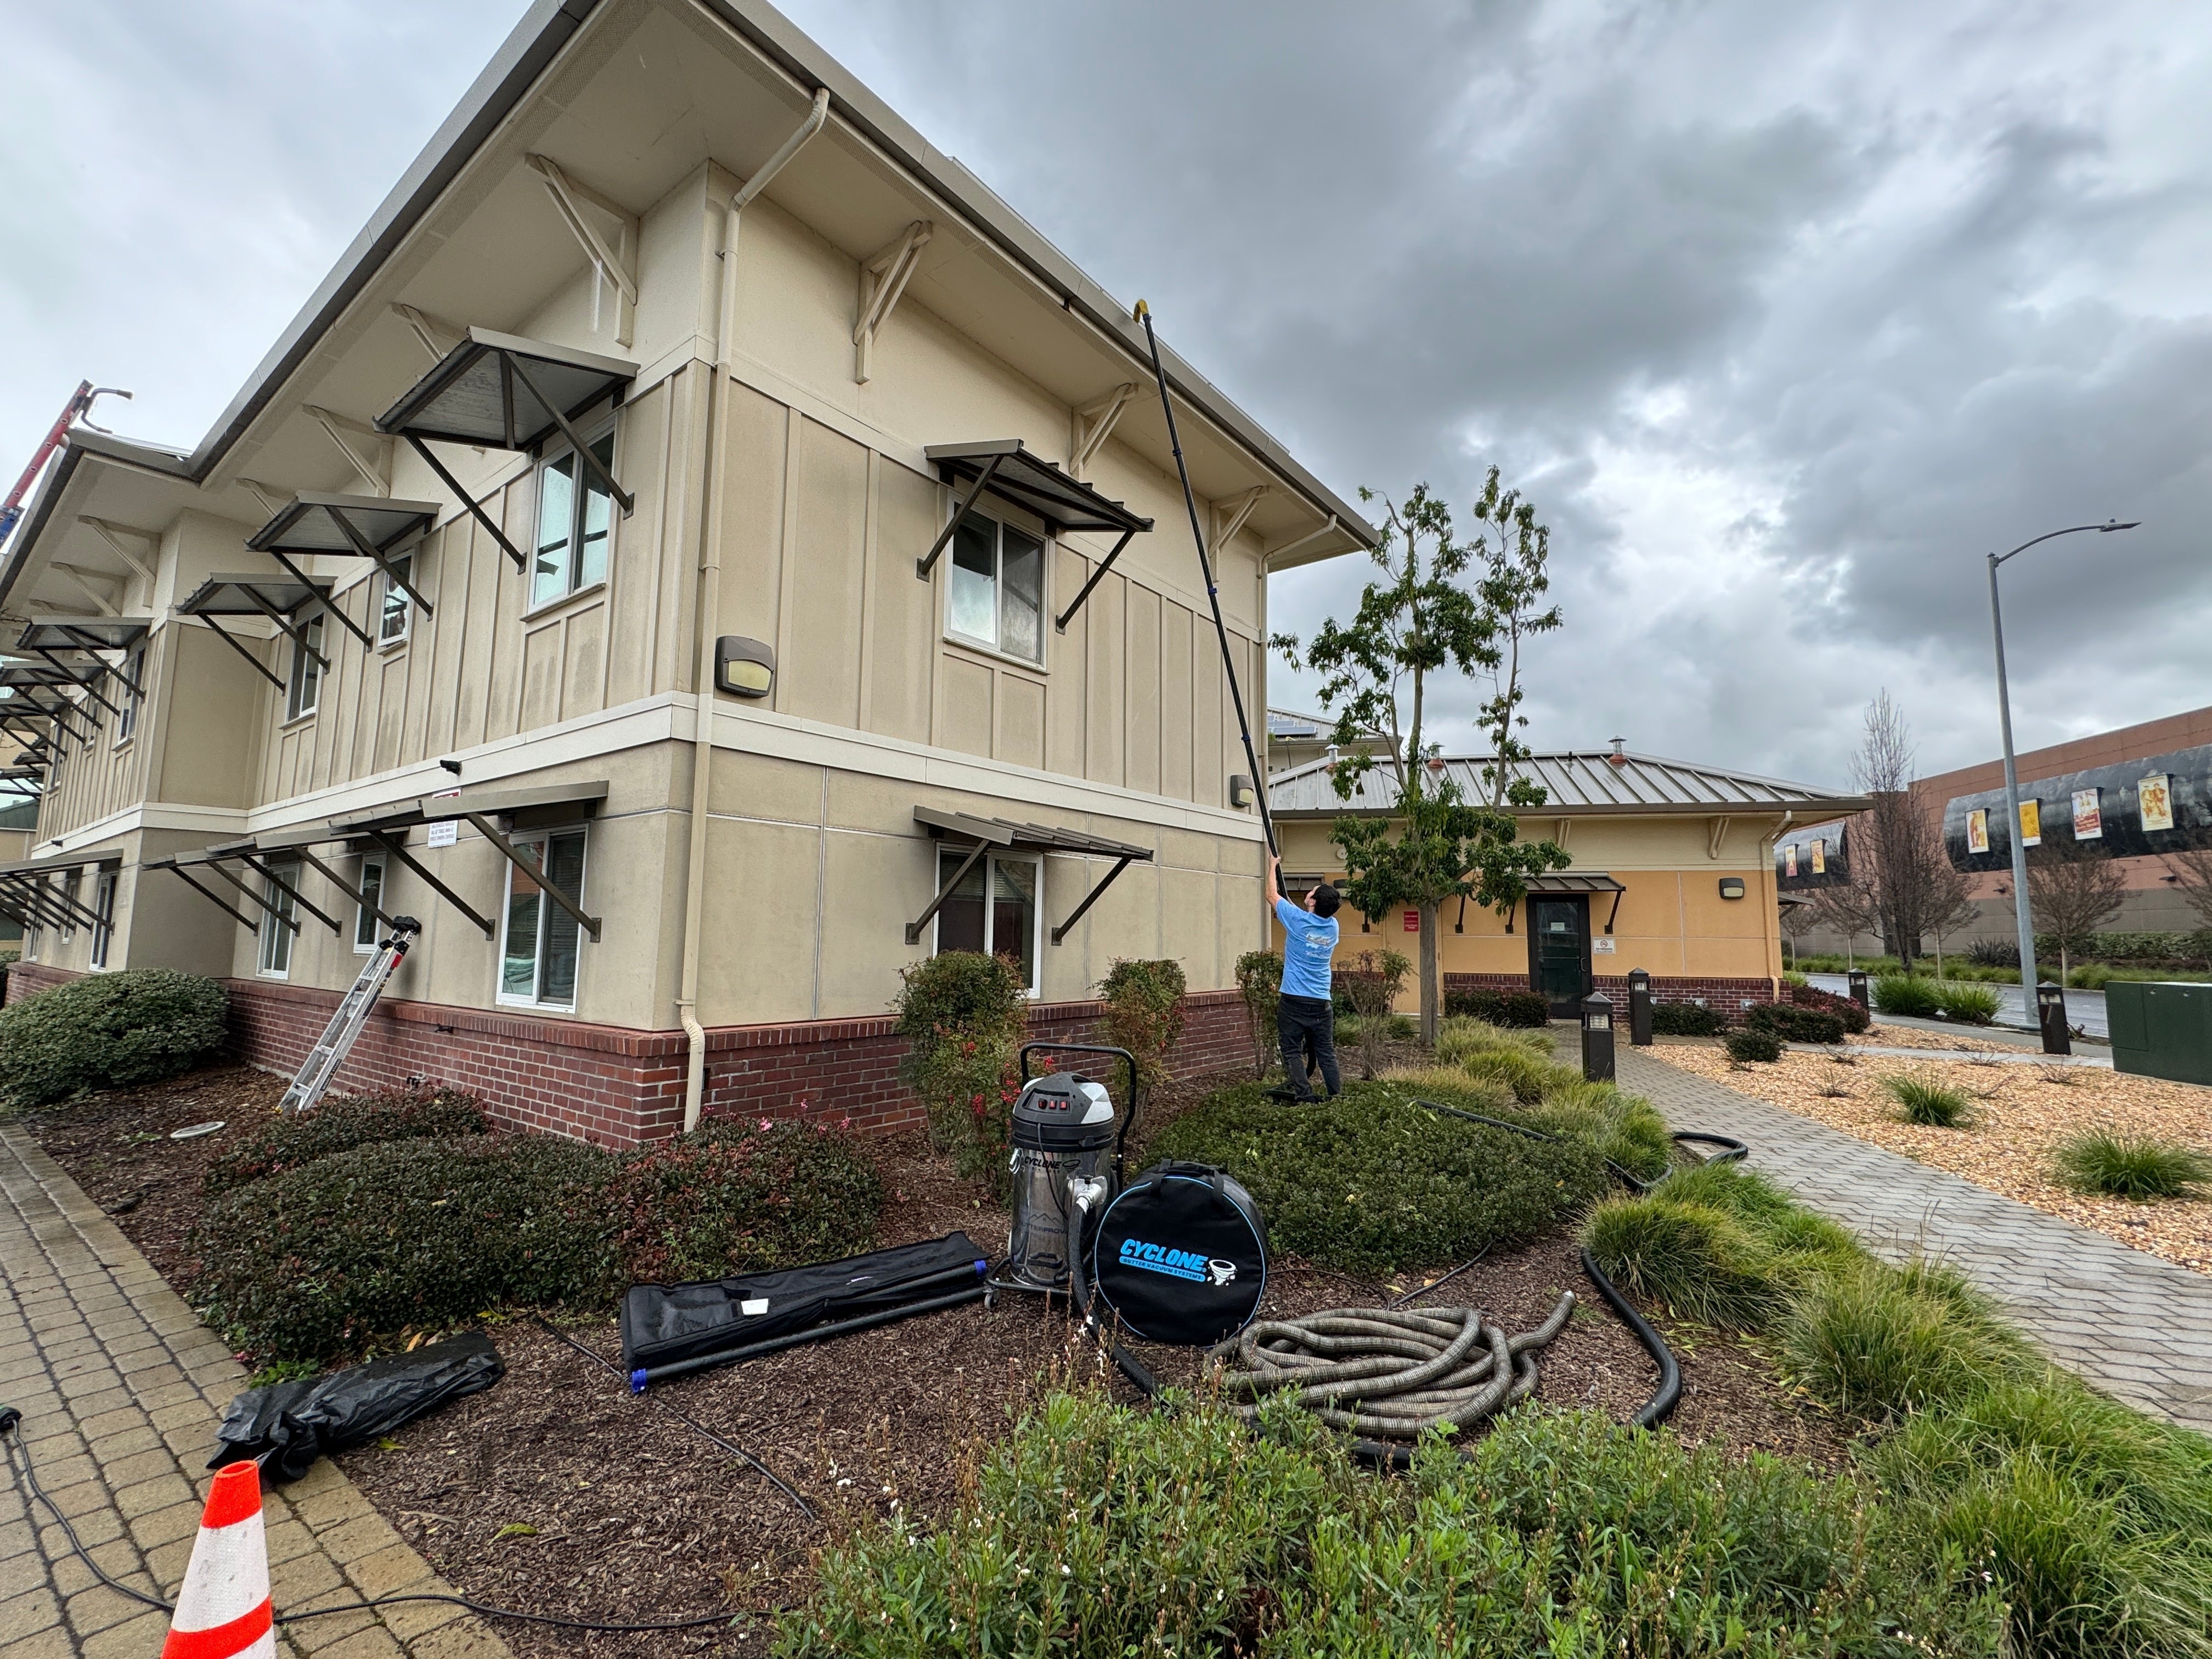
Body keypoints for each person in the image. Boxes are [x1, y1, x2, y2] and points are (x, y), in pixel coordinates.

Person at [1266, 854, 1341, 1101]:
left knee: (1290, 1050)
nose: (1309, 892)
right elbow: (1293, 910)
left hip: (1294, 1000)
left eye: (1312, 891)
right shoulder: (1333, 926)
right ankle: (1336, 1096)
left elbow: (1271, 896)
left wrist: (1272, 866)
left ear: (1312, 902)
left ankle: (1305, 1095)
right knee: (1326, 1052)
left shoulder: (1298, 921)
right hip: (1321, 1001)